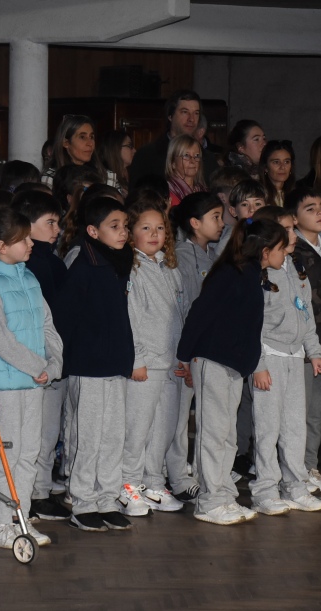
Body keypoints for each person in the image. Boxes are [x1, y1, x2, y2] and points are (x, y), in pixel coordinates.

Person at [176, 217, 289, 526]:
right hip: (212, 361)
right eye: (281, 248)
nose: (286, 254)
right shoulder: (230, 274)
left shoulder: (253, 276)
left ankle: (223, 494)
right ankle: (209, 501)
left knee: (227, 435)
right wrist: (185, 356)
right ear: (265, 251)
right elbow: (200, 313)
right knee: (213, 433)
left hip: (233, 365)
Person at [0, 208, 63, 548]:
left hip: (32, 379)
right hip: (5, 381)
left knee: (29, 451)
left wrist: (54, 361)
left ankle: (19, 516)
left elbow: (47, 324)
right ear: (1, 246)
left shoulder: (28, 276)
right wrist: (38, 365)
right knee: (7, 452)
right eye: (22, 240)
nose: (29, 244)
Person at [52, 197, 135, 532]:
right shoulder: (84, 268)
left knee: (114, 436)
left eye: (125, 226)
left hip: (114, 364)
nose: (123, 233)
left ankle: (107, 498)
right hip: (88, 366)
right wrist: (63, 362)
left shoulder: (117, 263)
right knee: (89, 437)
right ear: (92, 231)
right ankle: (83, 501)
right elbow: (64, 321)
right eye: (114, 227)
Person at [249, 207, 321, 516]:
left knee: (295, 427)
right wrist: (259, 365)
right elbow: (253, 324)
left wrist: (315, 352)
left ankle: (295, 485)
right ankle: (265, 489)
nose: (292, 236)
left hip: (296, 360)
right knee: (268, 428)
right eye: (286, 231)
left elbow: (305, 313)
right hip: (270, 359)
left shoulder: (296, 268)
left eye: (293, 230)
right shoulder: (260, 273)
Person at [121, 196, 185, 516]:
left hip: (170, 363)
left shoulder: (168, 267)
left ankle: (154, 483)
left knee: (164, 427)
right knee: (138, 428)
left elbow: (179, 314)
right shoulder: (132, 267)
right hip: (145, 364)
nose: (154, 233)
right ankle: (128, 484)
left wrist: (182, 354)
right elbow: (131, 317)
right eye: (145, 227)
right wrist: (137, 358)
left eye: (160, 227)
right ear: (131, 232)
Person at [14, 190, 72, 522]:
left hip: (55, 359)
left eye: (58, 222)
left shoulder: (51, 260)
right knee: (39, 432)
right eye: (49, 222)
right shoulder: (32, 264)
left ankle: (42, 488)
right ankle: (34, 493)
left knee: (49, 430)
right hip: (39, 362)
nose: (57, 229)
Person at [168, 192, 225, 504]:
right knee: (178, 418)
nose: (221, 222)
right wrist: (186, 354)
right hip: (187, 351)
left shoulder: (213, 255)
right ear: (194, 223)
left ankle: (206, 474)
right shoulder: (181, 257)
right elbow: (187, 309)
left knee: (208, 417)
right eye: (215, 216)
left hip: (208, 350)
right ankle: (177, 476)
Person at [288, 187, 321, 492]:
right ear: (295, 218)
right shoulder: (292, 251)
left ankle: (310, 466)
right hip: (301, 346)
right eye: (310, 208)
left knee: (316, 411)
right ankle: (293, 468)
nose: (320, 212)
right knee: (298, 409)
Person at [130, 90, 201, 189]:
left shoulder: (207, 158)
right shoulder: (147, 156)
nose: (191, 119)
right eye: (185, 112)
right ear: (170, 116)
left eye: (196, 113)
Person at [41, 115, 119, 191]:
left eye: (91, 137)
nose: (90, 143)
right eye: (82, 137)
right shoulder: (51, 178)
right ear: (66, 142)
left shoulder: (106, 177)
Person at [165, 134, 206, 207]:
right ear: (173, 163)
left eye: (196, 156)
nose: (192, 161)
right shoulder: (166, 194)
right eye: (186, 156)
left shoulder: (203, 192)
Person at [260, 140, 295, 207]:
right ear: (265, 167)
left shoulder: (296, 194)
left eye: (286, 162)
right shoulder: (258, 195)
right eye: (276, 162)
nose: (282, 167)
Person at [99, 131, 135, 196]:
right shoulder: (109, 177)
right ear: (116, 148)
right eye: (129, 146)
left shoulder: (128, 174)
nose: (134, 150)